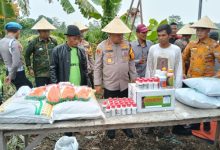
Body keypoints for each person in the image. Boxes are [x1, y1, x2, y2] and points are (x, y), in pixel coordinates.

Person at [94, 17, 137, 139]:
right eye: (117, 34)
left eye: (121, 34)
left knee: (125, 106)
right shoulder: (101, 47)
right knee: (110, 107)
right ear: (110, 34)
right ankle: (110, 129)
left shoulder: (127, 45)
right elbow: (97, 67)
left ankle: (125, 126)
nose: (120, 37)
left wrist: (134, 78)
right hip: (109, 84)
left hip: (124, 83)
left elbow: (131, 63)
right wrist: (97, 84)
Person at [182, 16, 220, 137]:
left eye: (202, 30)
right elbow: (183, 58)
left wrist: (217, 75)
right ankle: (194, 125)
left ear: (208, 31)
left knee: (206, 103)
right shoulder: (192, 43)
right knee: (193, 101)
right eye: (197, 30)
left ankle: (207, 124)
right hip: (192, 79)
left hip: (206, 81)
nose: (199, 32)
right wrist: (183, 72)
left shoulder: (214, 45)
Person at [145, 24, 183, 88]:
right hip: (155, 84)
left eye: (163, 35)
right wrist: (148, 85)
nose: (161, 38)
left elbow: (178, 69)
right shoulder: (153, 49)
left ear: (169, 35)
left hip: (170, 85)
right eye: (159, 35)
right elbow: (149, 68)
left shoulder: (176, 49)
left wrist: (177, 87)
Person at [25, 17, 57, 87]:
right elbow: (27, 55)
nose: (47, 33)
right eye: (44, 31)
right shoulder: (34, 43)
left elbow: (57, 55)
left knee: (53, 91)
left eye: (48, 31)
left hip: (52, 72)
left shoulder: (53, 42)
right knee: (41, 92)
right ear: (39, 31)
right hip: (40, 73)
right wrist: (29, 68)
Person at [0, 22, 32, 90]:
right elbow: (16, 63)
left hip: (8, 71)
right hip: (17, 73)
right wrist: (11, 76)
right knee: (26, 91)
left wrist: (9, 74)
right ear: (18, 31)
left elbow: (2, 58)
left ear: (7, 31)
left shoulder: (1, 42)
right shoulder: (14, 43)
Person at [75, 22, 95, 88]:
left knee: (89, 91)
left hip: (87, 71)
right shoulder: (72, 44)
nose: (81, 33)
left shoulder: (87, 44)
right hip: (77, 72)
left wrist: (93, 70)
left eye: (82, 32)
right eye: (80, 32)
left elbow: (90, 57)